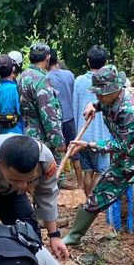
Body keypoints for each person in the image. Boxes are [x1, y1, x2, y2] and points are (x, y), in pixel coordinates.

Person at [63, 64, 134, 246]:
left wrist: (89, 145)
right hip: (128, 157)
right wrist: (93, 106)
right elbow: (101, 104)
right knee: (102, 191)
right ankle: (74, 236)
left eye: (101, 94)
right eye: (96, 93)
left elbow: (121, 144)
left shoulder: (130, 110)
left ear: (115, 89)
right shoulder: (109, 101)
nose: (98, 96)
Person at [0, 134, 69, 261]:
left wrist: (54, 235)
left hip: (11, 192)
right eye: (17, 179)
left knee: (29, 233)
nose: (24, 186)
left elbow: (47, 195)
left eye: (29, 179)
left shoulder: (45, 160)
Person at [70, 46, 112, 200]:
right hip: (100, 136)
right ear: (105, 63)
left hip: (82, 134)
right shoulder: (107, 82)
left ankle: (88, 200)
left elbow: (75, 104)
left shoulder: (79, 81)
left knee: (87, 170)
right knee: (102, 171)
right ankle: (93, 200)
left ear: (88, 61)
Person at [17, 44, 64, 160]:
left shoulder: (22, 76)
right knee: (52, 170)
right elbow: (48, 113)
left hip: (28, 134)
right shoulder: (41, 80)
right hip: (43, 140)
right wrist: (58, 141)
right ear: (47, 57)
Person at [47, 49, 76, 183]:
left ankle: (60, 179)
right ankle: (79, 183)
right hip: (70, 117)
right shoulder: (69, 74)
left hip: (56, 120)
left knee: (57, 150)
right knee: (75, 152)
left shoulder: (46, 78)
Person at [0, 55, 22, 135]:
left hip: (2, 131)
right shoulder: (15, 89)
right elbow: (20, 112)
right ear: (13, 69)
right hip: (16, 131)